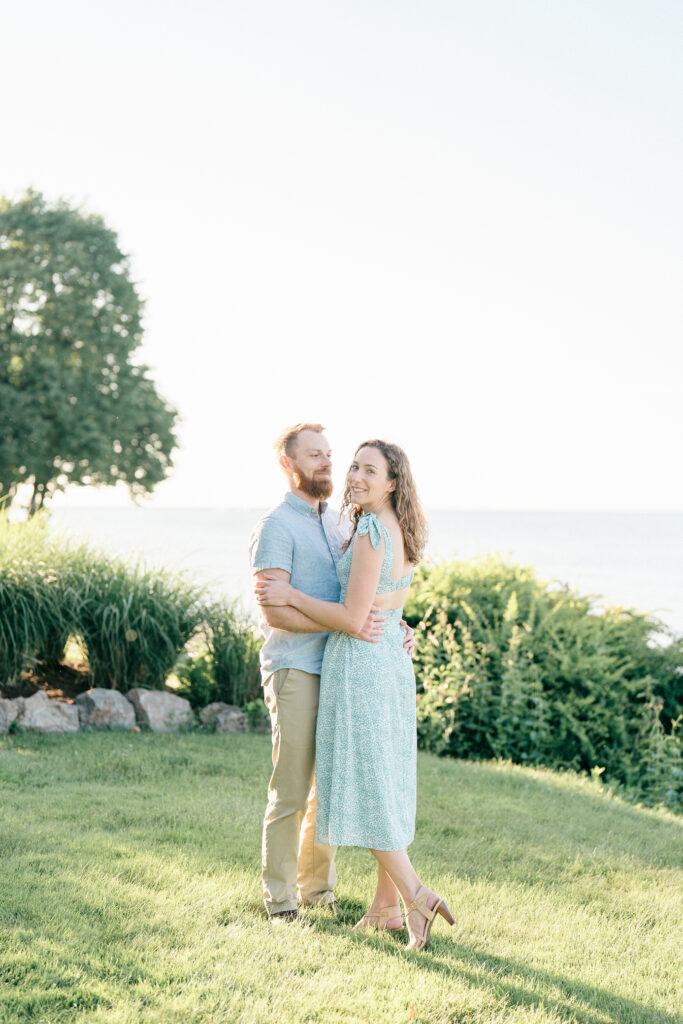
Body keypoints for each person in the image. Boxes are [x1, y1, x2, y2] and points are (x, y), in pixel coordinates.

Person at [256, 439, 454, 951]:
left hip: (362, 665)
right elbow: (379, 600)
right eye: (353, 466)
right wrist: (395, 623)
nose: (353, 475)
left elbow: (351, 615)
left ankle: (413, 895)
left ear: (393, 482)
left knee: (366, 786)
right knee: (378, 782)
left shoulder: (362, 525)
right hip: (379, 660)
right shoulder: (399, 526)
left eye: (370, 470)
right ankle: (381, 907)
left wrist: (294, 594)